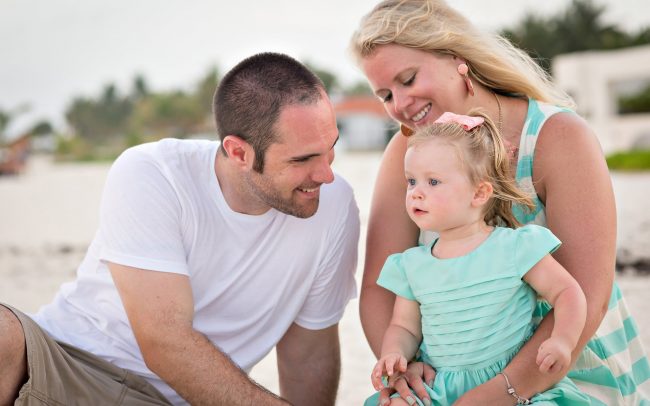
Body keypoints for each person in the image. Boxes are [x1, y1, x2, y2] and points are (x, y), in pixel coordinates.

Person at [0, 52, 360, 406]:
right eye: (302, 159)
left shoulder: (334, 204)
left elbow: (309, 356)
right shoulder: (154, 172)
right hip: (69, 369)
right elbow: (164, 341)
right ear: (238, 153)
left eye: (330, 150)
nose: (326, 174)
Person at [349, 0, 650, 405]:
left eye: (408, 79)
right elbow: (379, 289)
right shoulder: (405, 153)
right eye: (385, 94)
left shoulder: (555, 136)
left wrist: (501, 391)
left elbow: (588, 291)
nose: (400, 104)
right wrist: (403, 367)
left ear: (457, 57)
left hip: (563, 366)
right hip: (450, 380)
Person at [365, 111, 589, 405]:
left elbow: (567, 292)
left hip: (509, 382)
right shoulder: (412, 265)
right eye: (411, 181)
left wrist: (563, 340)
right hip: (439, 386)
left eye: (433, 182)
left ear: (479, 192)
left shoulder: (514, 247)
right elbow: (404, 326)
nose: (416, 194)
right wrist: (394, 353)